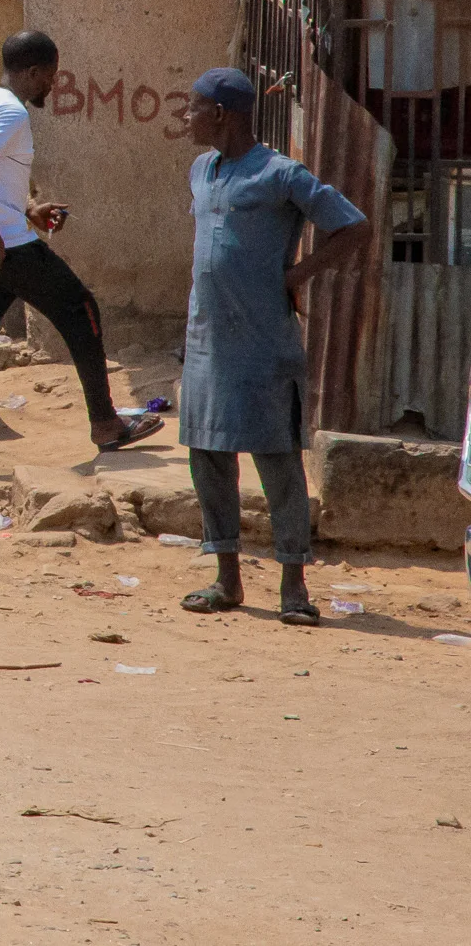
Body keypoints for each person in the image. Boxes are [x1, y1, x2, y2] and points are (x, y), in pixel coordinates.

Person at [0, 29, 163, 478]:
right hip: (3, 248)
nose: (53, 83)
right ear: (31, 72)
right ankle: (106, 424)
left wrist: (28, 209)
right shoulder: (11, 112)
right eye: (50, 75)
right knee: (81, 309)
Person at [177, 68, 369, 625]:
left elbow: (353, 227)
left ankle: (294, 585)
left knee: (278, 461)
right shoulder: (201, 170)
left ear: (221, 114)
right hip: (207, 340)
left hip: (263, 344)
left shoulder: (280, 173)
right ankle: (227, 578)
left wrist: (297, 275)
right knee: (208, 457)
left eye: (193, 107)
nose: (186, 117)